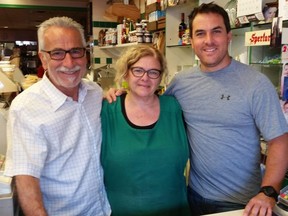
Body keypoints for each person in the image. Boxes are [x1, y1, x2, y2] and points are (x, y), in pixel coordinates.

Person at [106, 3, 288, 216]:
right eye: (200, 33)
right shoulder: (181, 83)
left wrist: (268, 192)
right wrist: (118, 92)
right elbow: (149, 102)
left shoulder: (256, 83)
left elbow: (279, 141)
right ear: (191, 40)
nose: (208, 40)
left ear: (229, 36)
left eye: (216, 32)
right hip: (192, 197)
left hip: (242, 204)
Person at [4, 17, 111, 216]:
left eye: (76, 51)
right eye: (57, 54)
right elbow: (27, 183)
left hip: (103, 209)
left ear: (85, 54)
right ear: (43, 59)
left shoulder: (94, 91)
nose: (69, 63)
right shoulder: (26, 108)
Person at [101, 45, 190, 216]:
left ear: (160, 77)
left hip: (174, 209)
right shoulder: (106, 110)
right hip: (120, 210)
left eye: (153, 72)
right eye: (138, 70)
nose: (145, 78)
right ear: (126, 73)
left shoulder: (175, 108)